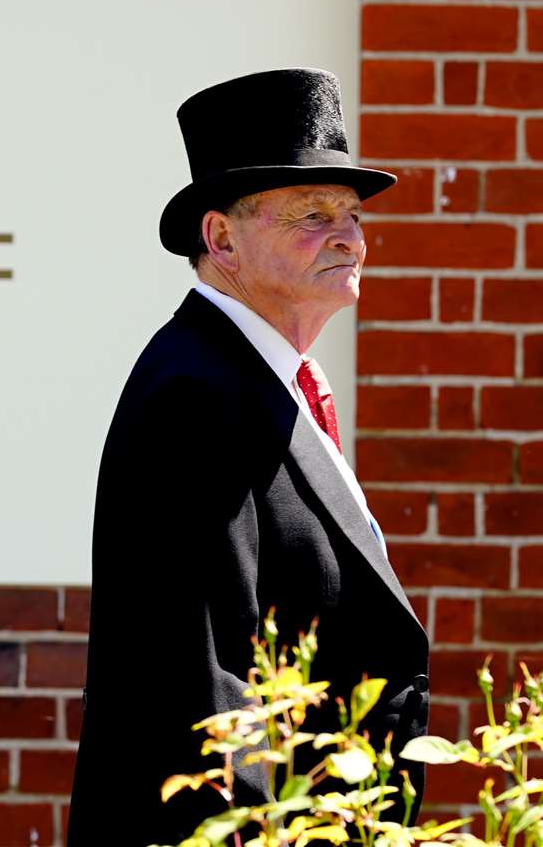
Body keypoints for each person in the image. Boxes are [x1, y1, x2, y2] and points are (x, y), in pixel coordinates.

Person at [65, 69, 430, 846]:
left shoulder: (261, 379)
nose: (347, 236)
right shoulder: (197, 395)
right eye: (312, 214)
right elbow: (202, 684)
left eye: (352, 214)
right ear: (221, 237)